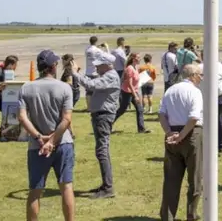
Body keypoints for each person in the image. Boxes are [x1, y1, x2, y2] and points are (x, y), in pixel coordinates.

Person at [17, 50, 75, 221]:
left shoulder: (26, 88)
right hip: (63, 143)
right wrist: (53, 140)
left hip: (37, 147)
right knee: (66, 187)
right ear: (53, 66)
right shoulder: (64, 87)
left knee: (35, 190)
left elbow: (22, 117)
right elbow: (66, 119)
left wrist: (39, 137)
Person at [158, 63, 204, 221]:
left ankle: (167, 216)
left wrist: (169, 132)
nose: (201, 78)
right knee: (195, 178)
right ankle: (192, 213)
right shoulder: (195, 92)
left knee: (171, 180)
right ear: (193, 75)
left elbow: (161, 114)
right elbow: (193, 118)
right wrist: (182, 135)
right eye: (200, 75)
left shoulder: (170, 90)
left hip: (172, 134)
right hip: (190, 134)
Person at [73, 52, 120, 199]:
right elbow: (93, 82)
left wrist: (75, 74)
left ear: (106, 65)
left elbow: (91, 85)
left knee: (102, 151)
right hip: (101, 115)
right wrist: (79, 73)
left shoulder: (110, 76)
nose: (96, 69)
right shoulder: (108, 75)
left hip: (103, 115)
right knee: (102, 150)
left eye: (99, 66)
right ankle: (107, 185)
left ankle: (108, 187)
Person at [114, 53, 149, 133]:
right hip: (127, 92)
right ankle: (108, 124)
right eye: (138, 57)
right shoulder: (129, 68)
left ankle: (141, 129)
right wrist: (135, 96)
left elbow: (135, 80)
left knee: (139, 109)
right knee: (122, 110)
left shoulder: (136, 67)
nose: (140, 59)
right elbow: (129, 84)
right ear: (133, 59)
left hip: (134, 91)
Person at [84, 36, 105, 111]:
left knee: (88, 91)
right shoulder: (98, 50)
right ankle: (96, 106)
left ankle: (89, 107)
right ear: (96, 41)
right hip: (95, 72)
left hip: (88, 72)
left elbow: (92, 49)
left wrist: (97, 46)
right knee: (97, 91)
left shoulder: (87, 49)